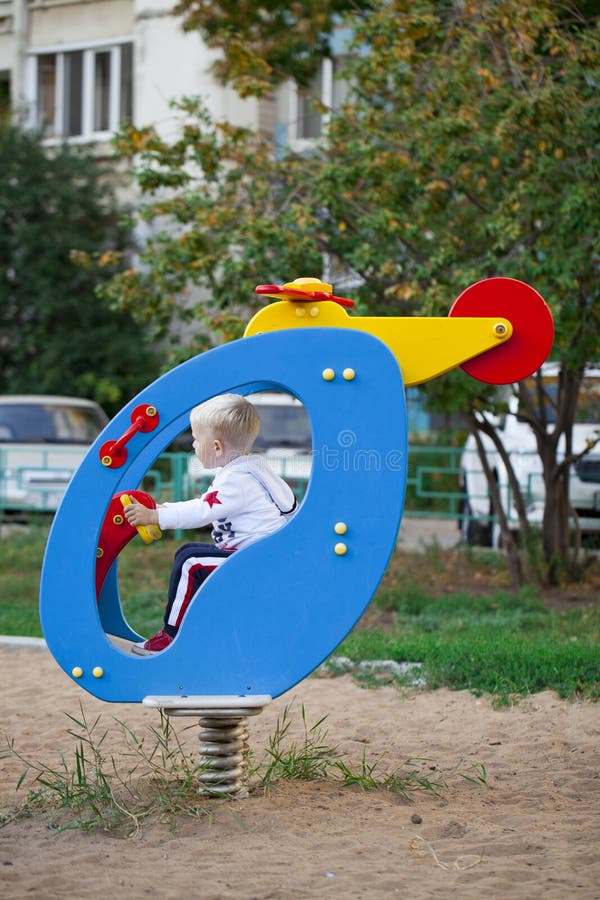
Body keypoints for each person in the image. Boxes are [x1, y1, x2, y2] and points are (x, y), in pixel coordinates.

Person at [124, 393, 298, 654]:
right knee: (187, 552)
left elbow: (202, 511)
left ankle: (170, 638)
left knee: (191, 563)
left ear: (217, 447)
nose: (193, 445)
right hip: (258, 554)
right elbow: (289, 505)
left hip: (256, 559)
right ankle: (192, 631)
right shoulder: (250, 468)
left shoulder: (236, 480)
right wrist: (164, 509)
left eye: (196, 439)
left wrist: (155, 517)